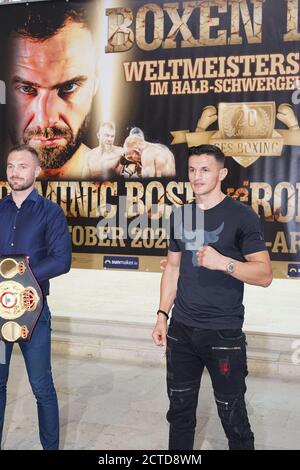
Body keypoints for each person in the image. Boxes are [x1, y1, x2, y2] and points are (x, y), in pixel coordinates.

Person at [152, 144, 273, 450]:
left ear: (222, 173)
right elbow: (173, 269)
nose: (197, 176)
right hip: (181, 332)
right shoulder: (180, 215)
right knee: (179, 415)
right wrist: (162, 314)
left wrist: (225, 263)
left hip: (223, 333)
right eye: (192, 169)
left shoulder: (242, 216)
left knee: (233, 419)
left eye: (205, 169)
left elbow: (265, 275)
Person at [0, 144, 71, 449]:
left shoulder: (50, 212)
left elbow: (61, 260)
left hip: (34, 314)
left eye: (23, 166)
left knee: (42, 388)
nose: (15, 172)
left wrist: (18, 279)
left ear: (37, 172)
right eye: (11, 166)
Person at [7, 3, 99, 180]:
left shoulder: (115, 173)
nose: (45, 120)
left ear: (96, 83)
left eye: (68, 87)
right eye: (26, 89)